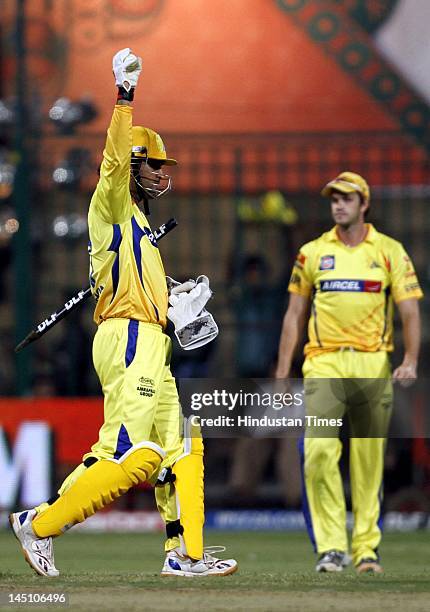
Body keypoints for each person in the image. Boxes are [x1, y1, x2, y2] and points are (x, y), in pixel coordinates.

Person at [10, 48, 236, 578]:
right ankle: (39, 525)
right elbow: (111, 163)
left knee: (182, 445)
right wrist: (124, 97)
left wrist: (175, 301)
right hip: (128, 337)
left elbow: (143, 283)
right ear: (133, 166)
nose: (161, 173)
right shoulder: (110, 204)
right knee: (133, 456)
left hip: (150, 339)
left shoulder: (140, 230)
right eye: (153, 163)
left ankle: (186, 555)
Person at [276, 171, 423, 574]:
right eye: (334, 199)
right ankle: (331, 548)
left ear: (364, 204)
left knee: (368, 458)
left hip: (372, 362)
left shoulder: (390, 251)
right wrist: (282, 371)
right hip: (323, 361)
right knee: (319, 453)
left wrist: (409, 359)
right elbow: (294, 314)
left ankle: (366, 550)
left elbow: (410, 309)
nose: (338, 204)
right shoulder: (311, 252)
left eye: (347, 198)